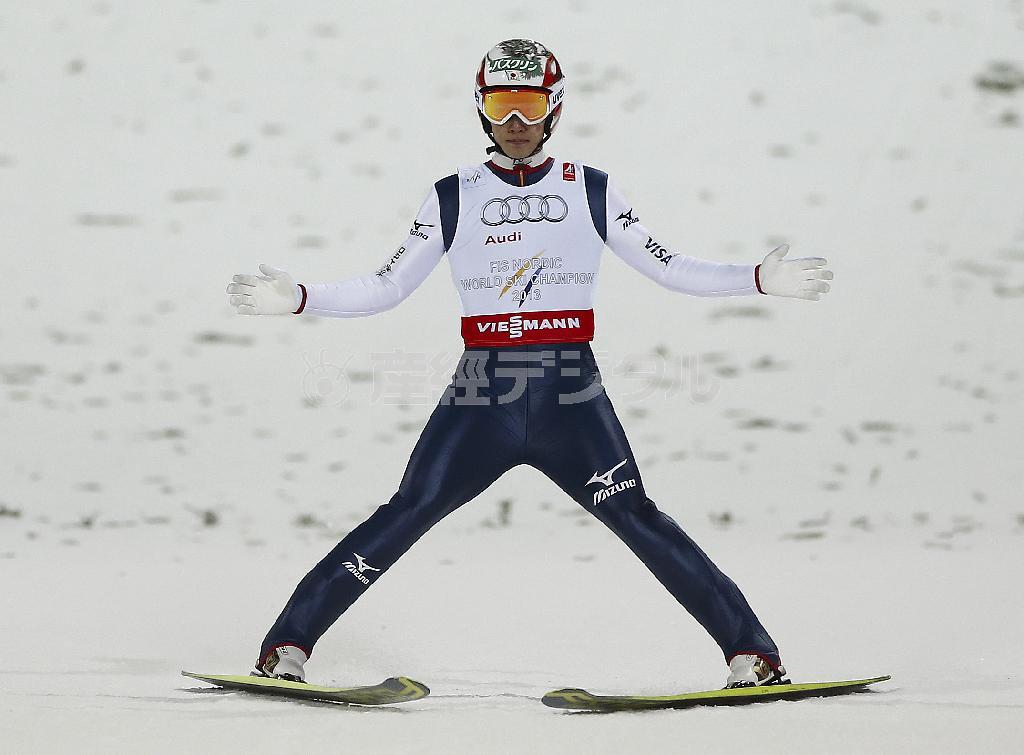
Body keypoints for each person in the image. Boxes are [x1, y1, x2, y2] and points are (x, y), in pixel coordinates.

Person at [225, 39, 833, 689]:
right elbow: (387, 286)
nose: (515, 122)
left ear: (555, 107)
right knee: (408, 510)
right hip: (483, 391)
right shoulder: (452, 195)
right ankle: (285, 647)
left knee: (638, 516)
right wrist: (301, 299)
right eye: (501, 104)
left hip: (568, 391)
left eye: (529, 104)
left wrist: (758, 279)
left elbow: (671, 267)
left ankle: (754, 655)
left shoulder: (589, 189)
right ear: (481, 109)